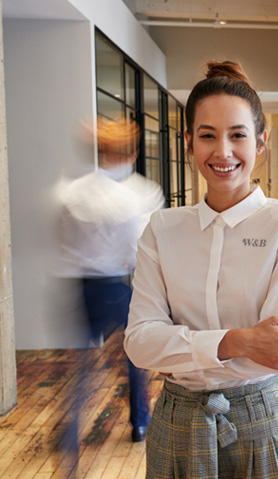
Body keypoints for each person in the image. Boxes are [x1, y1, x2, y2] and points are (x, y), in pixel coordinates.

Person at [124, 61, 278, 478]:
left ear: (261, 142)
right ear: (190, 143)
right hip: (176, 423)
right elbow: (139, 343)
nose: (223, 152)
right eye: (207, 136)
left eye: (238, 136)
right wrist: (240, 340)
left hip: (262, 419)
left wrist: (180, 349)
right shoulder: (162, 228)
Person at [56, 117, 164, 448]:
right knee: (134, 359)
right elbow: (142, 248)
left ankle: (71, 430)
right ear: (132, 154)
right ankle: (140, 424)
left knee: (82, 367)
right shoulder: (142, 194)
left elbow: (64, 240)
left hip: (82, 287)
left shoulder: (72, 191)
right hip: (119, 286)